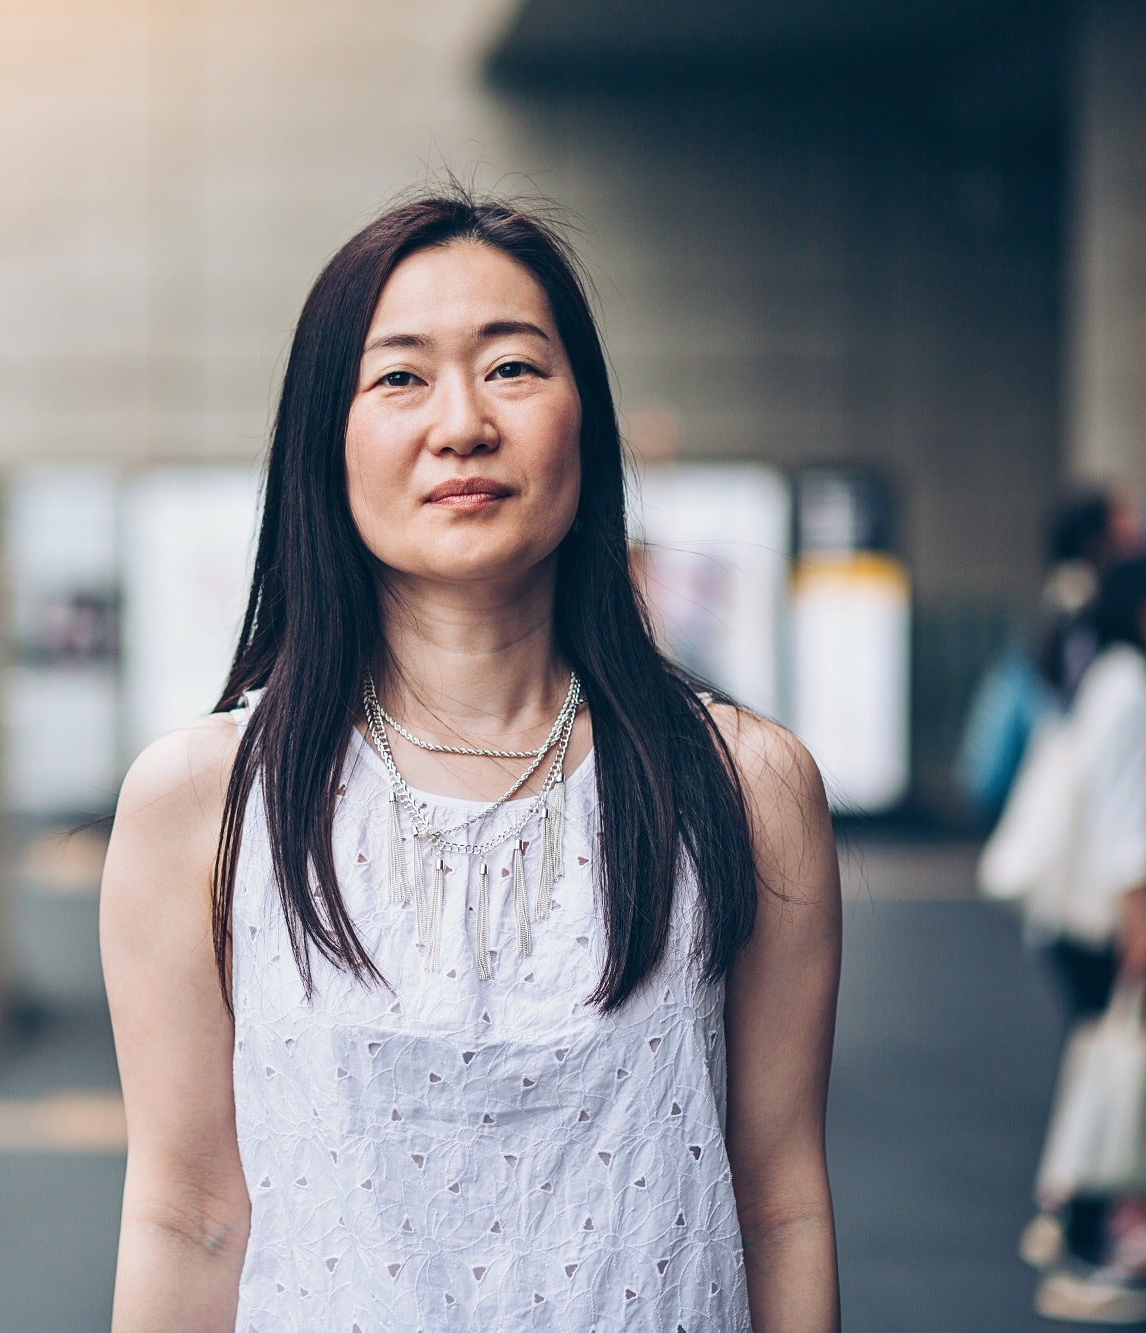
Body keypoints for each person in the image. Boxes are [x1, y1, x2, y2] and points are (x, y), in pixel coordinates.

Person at [100, 192, 842, 1331]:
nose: (461, 424)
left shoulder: (744, 786)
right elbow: (188, 1211)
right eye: (398, 377)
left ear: (581, 419)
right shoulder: (202, 800)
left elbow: (778, 1201)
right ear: (323, 438)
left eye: (510, 368)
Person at [1011, 558, 1146, 1322]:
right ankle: (1091, 1249)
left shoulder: (1100, 672)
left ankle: (1067, 1219)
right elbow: (1126, 813)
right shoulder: (1127, 681)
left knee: (1100, 1064)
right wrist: (1139, 920)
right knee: (1114, 1075)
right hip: (1105, 915)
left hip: (1075, 914)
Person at [959, 489, 1142, 822]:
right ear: (1095, 542)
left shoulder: (1056, 610)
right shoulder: (1085, 612)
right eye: (1125, 531)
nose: (1136, 539)